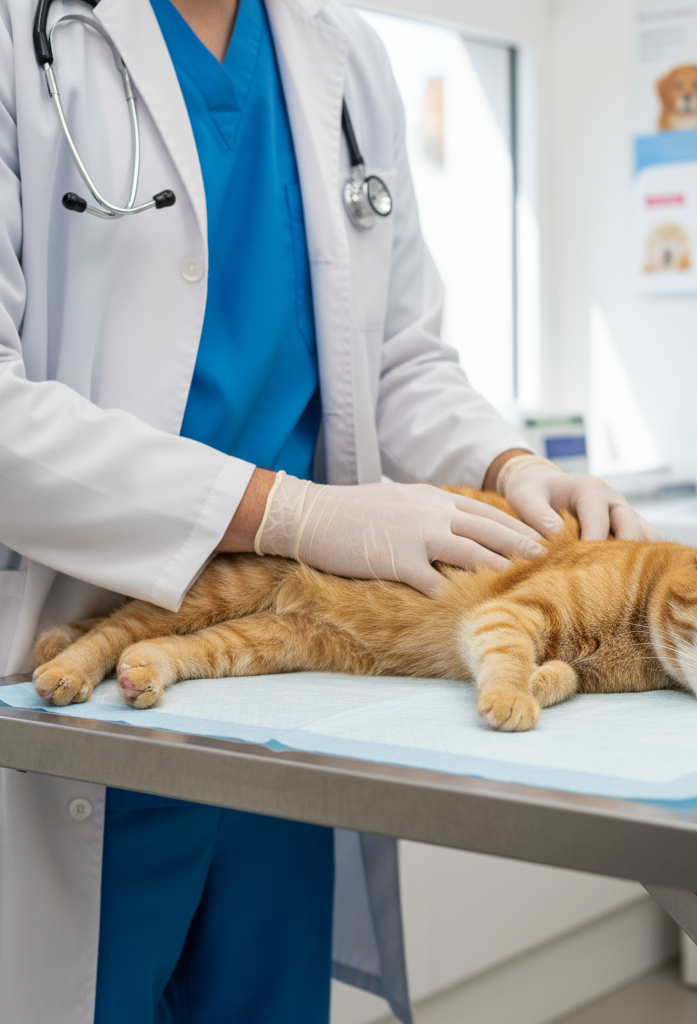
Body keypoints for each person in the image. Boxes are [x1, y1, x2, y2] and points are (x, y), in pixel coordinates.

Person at [0, 0, 656, 1020]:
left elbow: (397, 357)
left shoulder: (340, 55)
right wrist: (292, 512)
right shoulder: (22, 36)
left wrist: (509, 461)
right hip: (75, 666)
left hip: (282, 696)